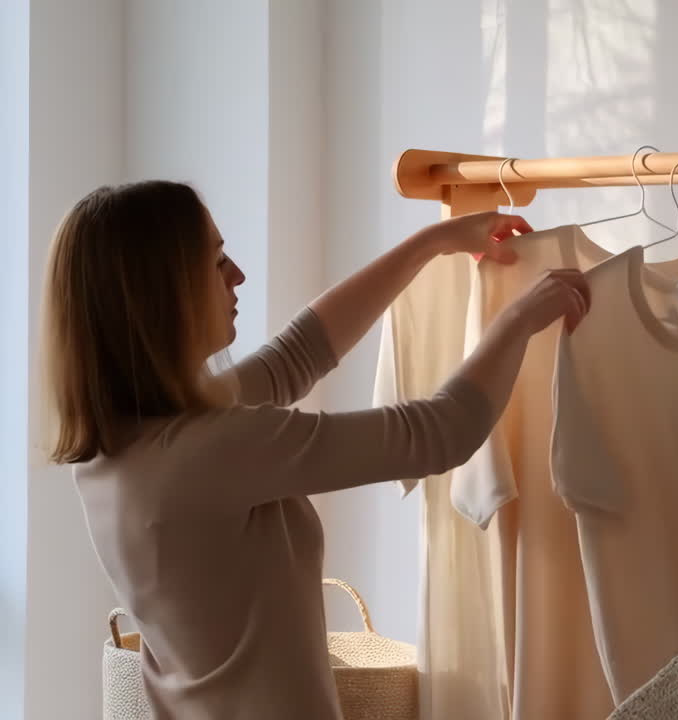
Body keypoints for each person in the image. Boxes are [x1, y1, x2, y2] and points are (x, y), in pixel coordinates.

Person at [41, 180, 590, 719]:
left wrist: (431, 243)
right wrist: (518, 318)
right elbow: (439, 432)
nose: (238, 275)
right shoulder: (210, 451)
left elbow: (297, 354)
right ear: (163, 296)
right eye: (217, 261)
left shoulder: (121, 448)